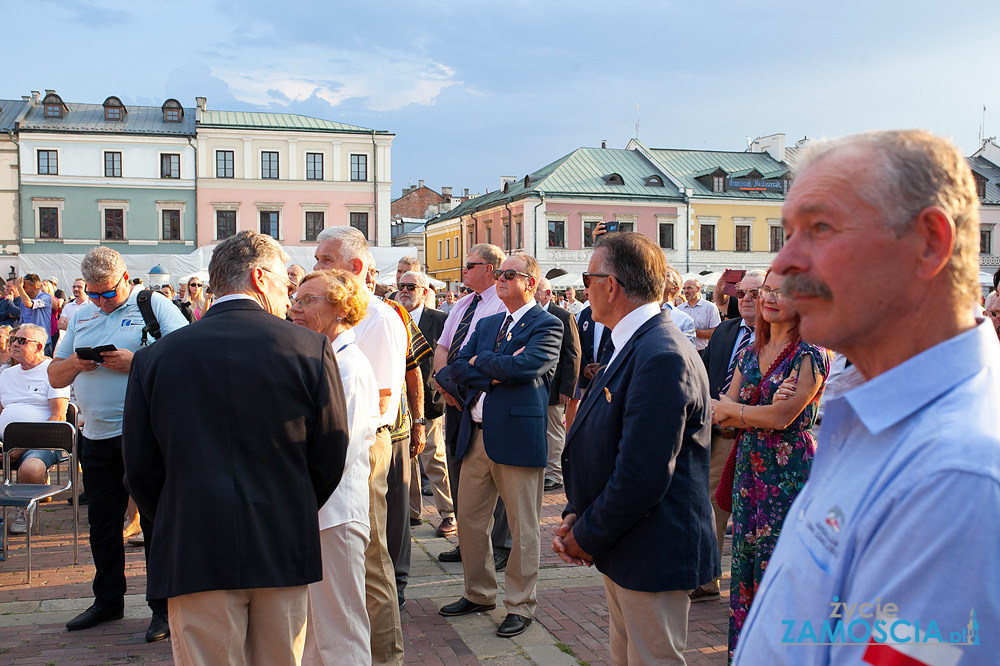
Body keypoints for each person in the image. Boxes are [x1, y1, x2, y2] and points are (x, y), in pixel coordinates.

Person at [734, 130, 1000, 665]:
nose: (783, 264)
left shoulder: (955, 478)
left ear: (929, 242)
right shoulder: (874, 412)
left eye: (821, 228)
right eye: (788, 232)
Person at [123, 232, 349, 666]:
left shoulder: (157, 357)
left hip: (194, 543)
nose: (289, 297)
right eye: (286, 284)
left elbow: (139, 467)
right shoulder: (309, 349)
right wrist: (290, 504)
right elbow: (328, 455)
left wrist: (178, 512)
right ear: (260, 278)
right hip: (280, 540)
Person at [554, 232, 718, 665]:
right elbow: (607, 444)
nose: (584, 290)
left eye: (588, 279)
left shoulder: (661, 352)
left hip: (653, 548)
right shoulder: (636, 341)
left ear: (611, 285)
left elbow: (643, 474)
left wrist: (584, 536)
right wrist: (578, 511)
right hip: (626, 541)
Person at [49, 247, 188, 642]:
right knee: (101, 525)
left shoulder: (154, 304)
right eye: (92, 294)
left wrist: (137, 361)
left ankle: (163, 607)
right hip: (95, 434)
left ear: (125, 278)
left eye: (106, 293)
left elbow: (185, 357)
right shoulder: (80, 314)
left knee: (156, 522)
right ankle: (108, 600)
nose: (99, 301)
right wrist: (77, 362)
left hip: (144, 434)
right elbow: (56, 376)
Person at [438, 253, 562, 639]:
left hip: (517, 437)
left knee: (523, 527)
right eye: (500, 274)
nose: (501, 279)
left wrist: (485, 366)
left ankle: (521, 605)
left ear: (530, 282)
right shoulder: (488, 321)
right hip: (475, 435)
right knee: (471, 521)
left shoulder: (548, 324)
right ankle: (478, 593)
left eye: (510, 274)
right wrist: (494, 366)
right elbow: (457, 366)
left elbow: (528, 368)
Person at [711, 270, 829, 658]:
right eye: (767, 291)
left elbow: (782, 419)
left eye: (783, 292)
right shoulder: (750, 350)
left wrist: (740, 411)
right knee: (745, 562)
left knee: (784, 566)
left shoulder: (810, 352)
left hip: (789, 471)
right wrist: (756, 411)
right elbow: (721, 415)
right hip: (749, 470)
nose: (770, 298)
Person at [313, 226, 407, 666]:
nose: (317, 269)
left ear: (355, 267)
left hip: (366, 445)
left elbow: (382, 398)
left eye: (325, 260)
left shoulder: (381, 318)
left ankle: (386, 656)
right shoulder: (334, 315)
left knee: (370, 561)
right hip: (340, 439)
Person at [289, 269, 379, 666]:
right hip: (316, 511)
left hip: (334, 513)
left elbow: (337, 450)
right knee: (313, 632)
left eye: (309, 300)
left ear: (341, 308)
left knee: (342, 633)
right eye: (295, 297)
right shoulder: (321, 357)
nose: (295, 305)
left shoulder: (350, 366)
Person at [432, 243, 513, 569]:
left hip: (482, 398)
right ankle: (468, 543)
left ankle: (501, 545)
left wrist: (463, 386)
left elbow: (490, 358)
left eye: (470, 265)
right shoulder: (464, 302)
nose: (464, 270)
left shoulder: (501, 304)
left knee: (496, 475)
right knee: (459, 468)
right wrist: (442, 382)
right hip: (454, 398)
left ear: (489, 269)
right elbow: (443, 346)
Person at [690, 269, 766, 604]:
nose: (746, 300)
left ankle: (756, 590)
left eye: (755, 293)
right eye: (741, 294)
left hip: (759, 438)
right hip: (718, 434)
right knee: (710, 508)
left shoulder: (781, 339)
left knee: (756, 519)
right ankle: (706, 578)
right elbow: (705, 374)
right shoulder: (725, 332)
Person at [398, 270, 455, 537]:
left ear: (424, 290)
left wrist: (444, 390)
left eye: (411, 286)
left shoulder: (440, 320)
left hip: (430, 400)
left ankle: (448, 513)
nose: (405, 290)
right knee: (406, 460)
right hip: (399, 402)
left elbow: (450, 358)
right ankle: (412, 512)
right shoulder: (394, 316)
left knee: (434, 458)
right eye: (401, 286)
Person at [1, 323, 70, 535]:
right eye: (13, 339)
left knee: (29, 469)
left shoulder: (53, 372)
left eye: (21, 341)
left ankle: (23, 510)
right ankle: (37, 484)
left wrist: (21, 447)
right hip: (6, 441)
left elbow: (58, 416)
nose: (14, 344)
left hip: (44, 441)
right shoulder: (6, 374)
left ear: (39, 347)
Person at [533, 277, 581, 492]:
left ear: (548, 293)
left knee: (554, 431)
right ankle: (544, 470)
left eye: (537, 290)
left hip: (556, 387)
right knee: (540, 431)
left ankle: (555, 473)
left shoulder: (563, 316)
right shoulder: (530, 314)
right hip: (535, 387)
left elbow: (573, 354)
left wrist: (567, 389)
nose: (533, 294)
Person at [678, 279, 721, 352]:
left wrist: (693, 331)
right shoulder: (679, 309)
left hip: (702, 352)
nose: (686, 291)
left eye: (689, 288)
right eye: (684, 288)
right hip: (683, 351)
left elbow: (716, 332)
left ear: (698, 289)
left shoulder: (710, 307)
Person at [14, 274, 53, 351]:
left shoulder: (45, 297)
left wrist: (19, 288)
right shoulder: (23, 300)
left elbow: (29, 304)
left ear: (34, 287)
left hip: (42, 342)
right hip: (27, 342)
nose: (23, 288)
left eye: (24, 286)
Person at [662, 266, 696, 343]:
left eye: (666, 275)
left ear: (674, 288)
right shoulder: (639, 310)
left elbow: (686, 352)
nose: (660, 275)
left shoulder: (684, 321)